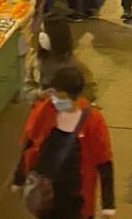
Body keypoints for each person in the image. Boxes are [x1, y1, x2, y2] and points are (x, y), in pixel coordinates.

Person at [14, 66, 115, 219]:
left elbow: (104, 162)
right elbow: (30, 143)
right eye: (54, 94)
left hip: (75, 197)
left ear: (73, 96)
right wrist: (19, 178)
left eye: (60, 96)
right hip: (47, 194)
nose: (55, 99)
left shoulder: (92, 120)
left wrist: (108, 205)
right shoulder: (45, 111)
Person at [35, 16, 98, 103]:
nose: (41, 37)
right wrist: (38, 94)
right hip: (45, 106)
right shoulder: (37, 60)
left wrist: (66, 100)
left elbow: (90, 93)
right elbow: (27, 86)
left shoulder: (77, 67)